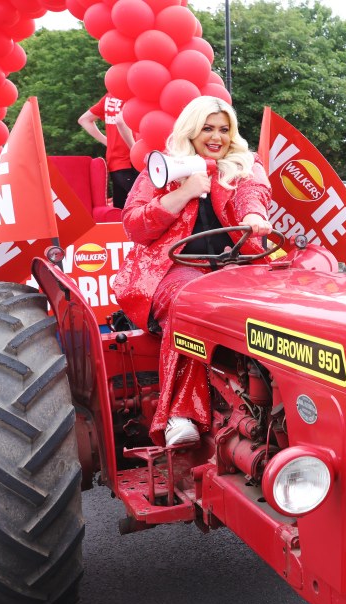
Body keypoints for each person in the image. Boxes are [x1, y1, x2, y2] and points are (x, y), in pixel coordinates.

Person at [111, 96, 273, 446]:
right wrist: (184, 192)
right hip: (172, 273)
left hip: (236, 267)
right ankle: (180, 415)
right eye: (207, 128)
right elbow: (135, 226)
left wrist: (254, 216)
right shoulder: (163, 170)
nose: (216, 137)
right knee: (190, 300)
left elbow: (254, 194)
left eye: (224, 129)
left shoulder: (244, 165)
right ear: (191, 130)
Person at [78, 93, 139, 208]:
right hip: (131, 162)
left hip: (115, 162)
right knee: (141, 206)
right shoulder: (133, 95)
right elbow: (120, 121)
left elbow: (84, 119)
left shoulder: (110, 96)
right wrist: (135, 148)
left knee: (121, 212)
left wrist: (108, 142)